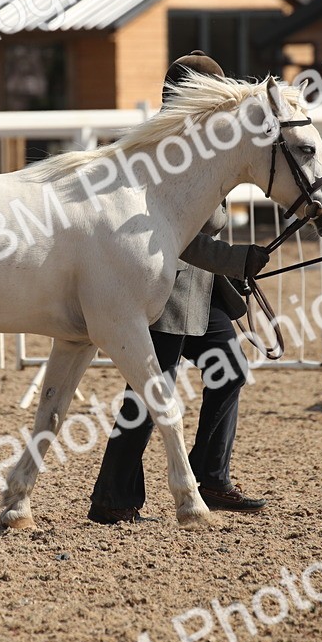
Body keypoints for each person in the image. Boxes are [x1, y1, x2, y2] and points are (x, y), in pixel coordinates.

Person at [88, 51, 269, 525]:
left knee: (228, 369)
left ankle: (212, 476)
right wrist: (236, 258)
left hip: (203, 292)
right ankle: (112, 497)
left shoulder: (205, 145)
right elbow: (174, 234)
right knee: (151, 392)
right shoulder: (161, 149)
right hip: (161, 289)